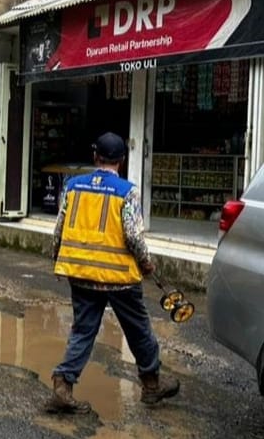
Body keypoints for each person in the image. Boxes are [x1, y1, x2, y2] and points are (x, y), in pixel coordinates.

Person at [47, 132, 180, 413]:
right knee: (138, 330)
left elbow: (59, 227)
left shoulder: (73, 186)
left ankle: (63, 384)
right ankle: (152, 385)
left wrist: (57, 259)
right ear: (121, 160)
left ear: (95, 156)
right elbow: (132, 236)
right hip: (119, 279)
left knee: (83, 330)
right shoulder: (127, 191)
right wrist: (146, 263)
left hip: (81, 273)